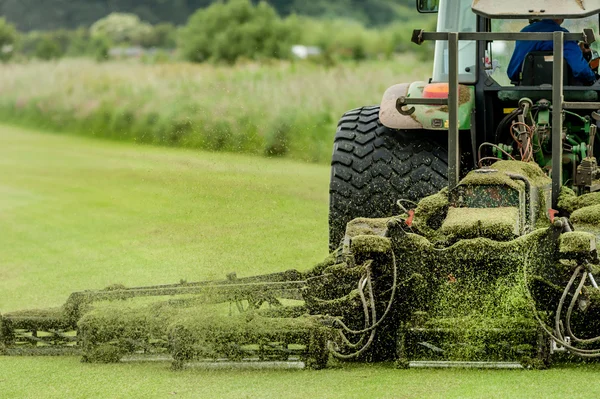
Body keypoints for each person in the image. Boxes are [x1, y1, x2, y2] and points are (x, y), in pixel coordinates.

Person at [507, 19, 596, 85]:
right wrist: (593, 78)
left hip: (526, 96)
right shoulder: (564, 36)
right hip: (564, 97)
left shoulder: (525, 32)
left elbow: (512, 73)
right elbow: (580, 70)